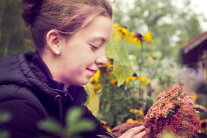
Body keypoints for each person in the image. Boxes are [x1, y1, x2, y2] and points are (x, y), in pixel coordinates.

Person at [0, 0, 147, 137]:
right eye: (94, 46)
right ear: (55, 41)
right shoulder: (17, 109)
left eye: (104, 48)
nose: (104, 60)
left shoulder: (65, 99)